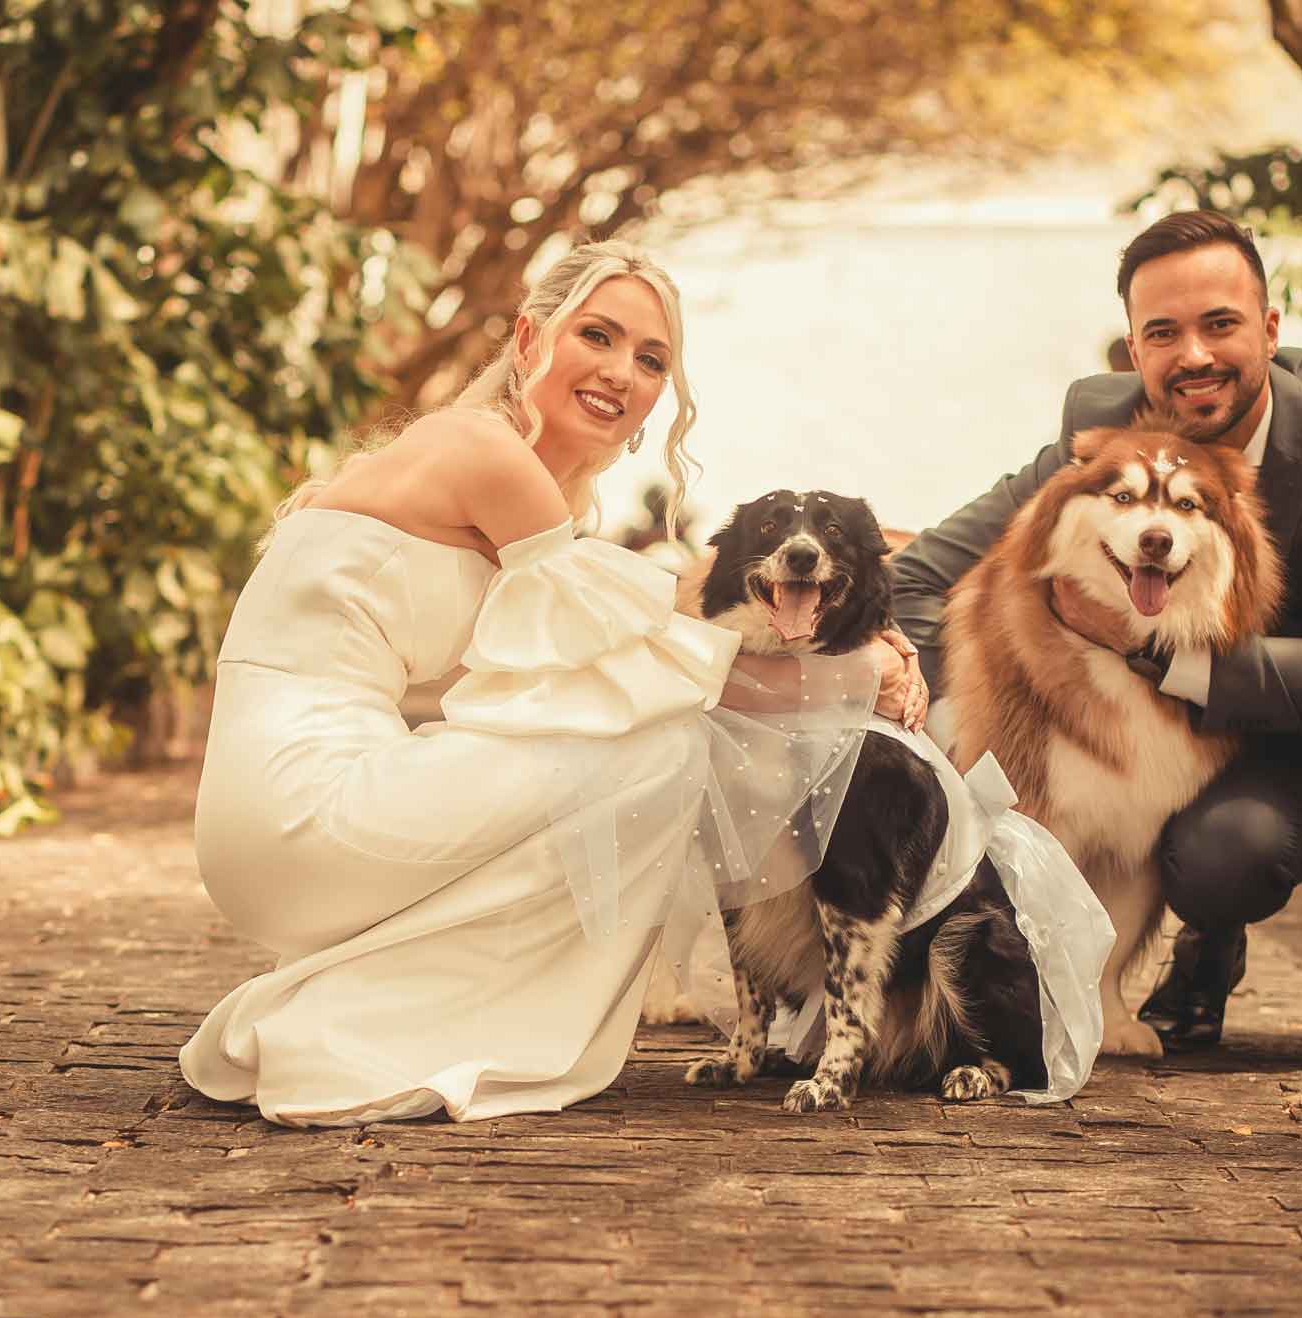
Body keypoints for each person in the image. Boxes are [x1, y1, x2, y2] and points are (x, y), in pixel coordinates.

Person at [179, 240, 925, 1126]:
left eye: (651, 359)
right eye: (597, 336)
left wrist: (861, 630)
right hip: (302, 808)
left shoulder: (501, 475)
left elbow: (662, 617)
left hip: (274, 818)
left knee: (621, 714)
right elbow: (677, 664)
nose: (621, 371)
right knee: (661, 736)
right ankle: (433, 1027)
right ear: (530, 340)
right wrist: (858, 675)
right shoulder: (485, 454)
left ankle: (371, 1015)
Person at [892, 210, 1302, 1076]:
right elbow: (923, 577)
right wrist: (948, 713)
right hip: (1216, 737)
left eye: (1220, 324)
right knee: (1214, 861)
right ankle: (1209, 945)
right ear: (1134, 350)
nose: (1194, 355)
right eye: (1163, 333)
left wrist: (1145, 647)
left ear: (1270, 331)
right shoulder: (1105, 427)